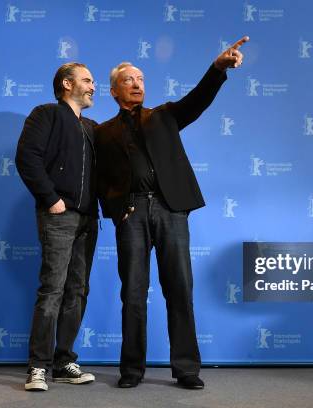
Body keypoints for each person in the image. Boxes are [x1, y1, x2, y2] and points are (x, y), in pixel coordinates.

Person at [95, 36, 249, 389]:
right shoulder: (102, 133)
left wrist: (217, 69)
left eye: (141, 79)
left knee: (179, 289)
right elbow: (99, 179)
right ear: (114, 91)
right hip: (130, 214)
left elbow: (198, 100)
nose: (136, 84)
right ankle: (131, 371)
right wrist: (116, 211)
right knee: (132, 292)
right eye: (128, 80)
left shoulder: (164, 116)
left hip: (170, 210)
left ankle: (186, 369)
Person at [15, 62, 98, 391]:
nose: (93, 86)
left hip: (88, 220)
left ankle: (64, 361)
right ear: (67, 83)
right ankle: (37, 367)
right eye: (87, 80)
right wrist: (51, 199)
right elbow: (27, 157)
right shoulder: (45, 113)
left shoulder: (92, 127)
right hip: (59, 215)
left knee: (77, 292)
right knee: (52, 289)